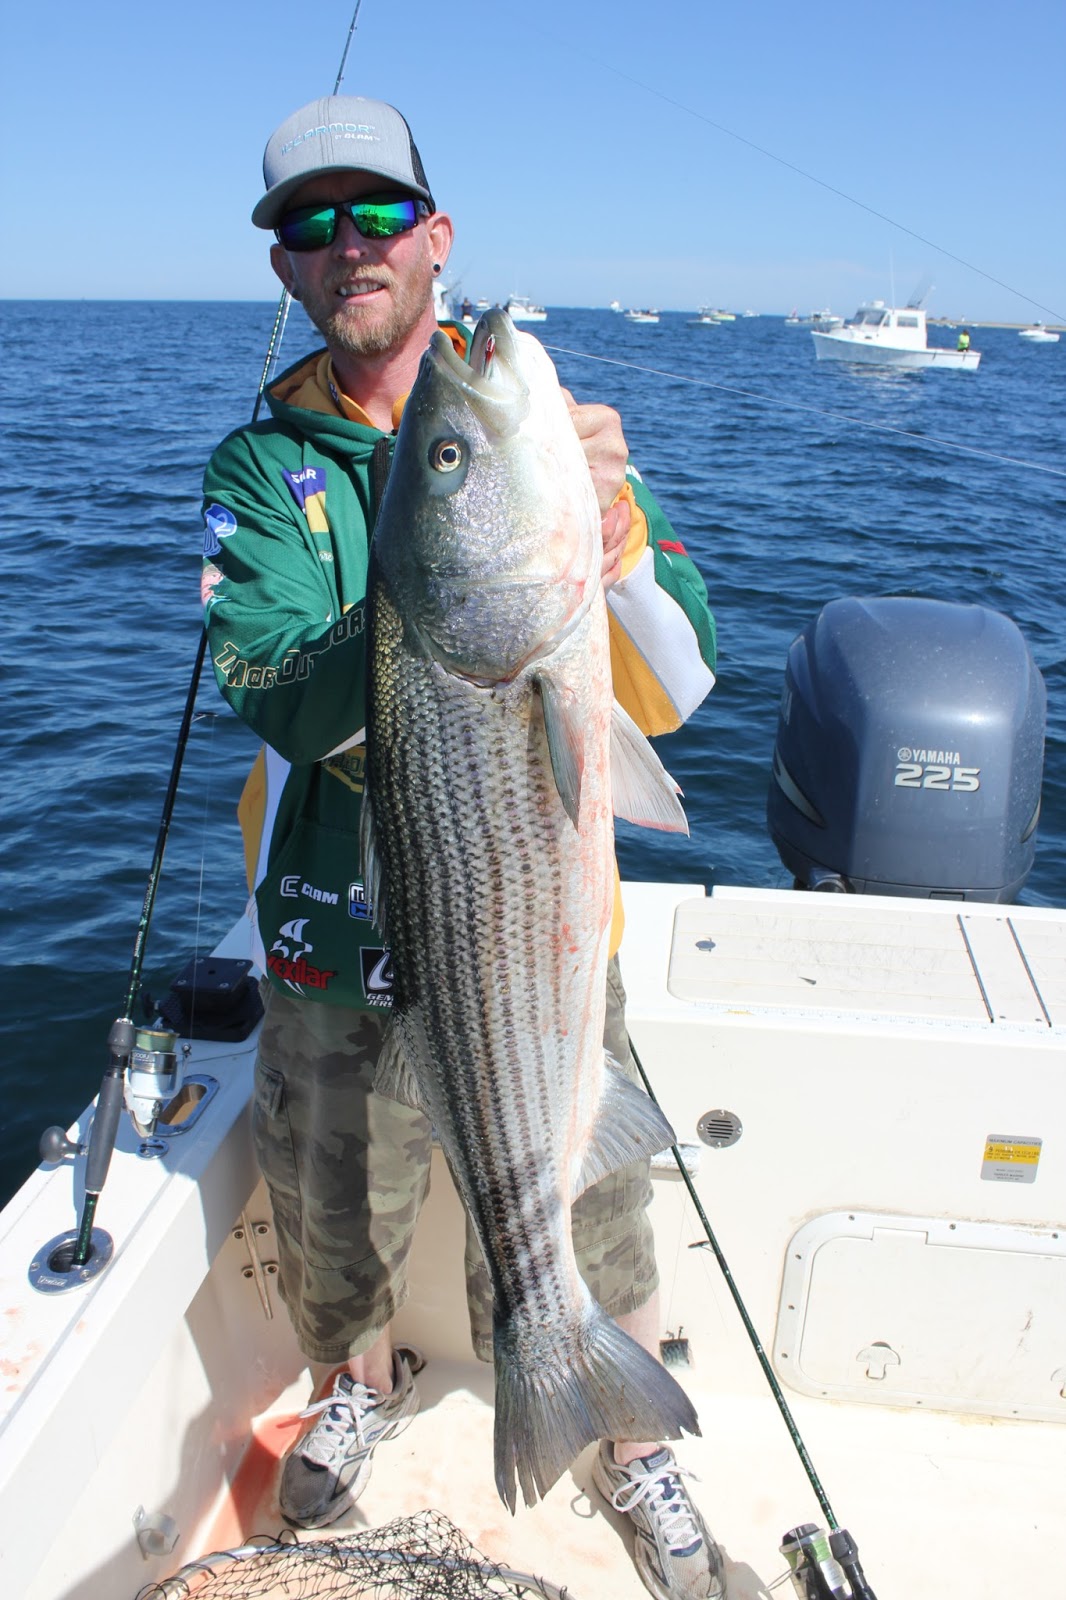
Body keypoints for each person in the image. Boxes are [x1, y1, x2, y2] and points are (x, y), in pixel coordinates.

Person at [201, 95, 722, 1600]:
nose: (347, 243)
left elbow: (681, 688)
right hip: (327, 928)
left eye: (377, 214)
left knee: (589, 1201)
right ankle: (353, 1381)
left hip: (530, 942)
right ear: (286, 267)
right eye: (310, 223)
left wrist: (606, 543)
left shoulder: (545, 449)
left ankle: (627, 1441)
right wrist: (436, 593)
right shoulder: (264, 471)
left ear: (436, 237)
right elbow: (273, 682)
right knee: (331, 1206)